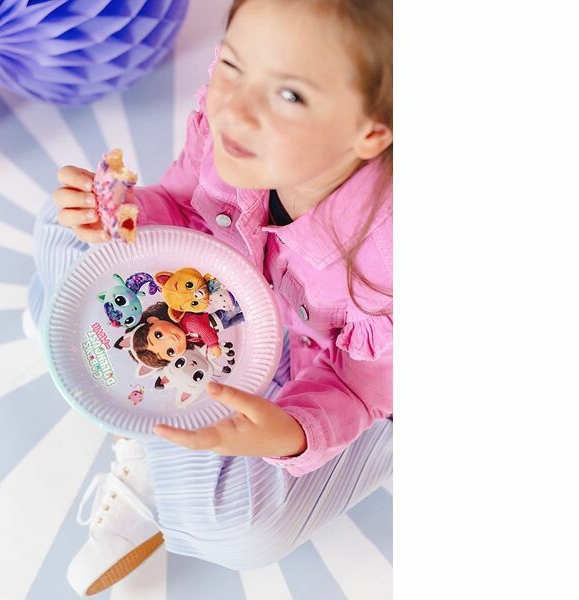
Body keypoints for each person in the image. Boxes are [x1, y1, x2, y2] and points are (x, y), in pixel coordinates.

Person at [25, 0, 393, 595]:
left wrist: (290, 432)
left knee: (239, 530)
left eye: (290, 96)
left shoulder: (392, 258)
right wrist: (125, 214)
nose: (234, 109)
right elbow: (182, 207)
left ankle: (153, 446)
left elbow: (360, 387)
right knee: (64, 225)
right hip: (227, 310)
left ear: (369, 132)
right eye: (232, 64)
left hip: (347, 379)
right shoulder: (236, 122)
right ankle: (156, 438)